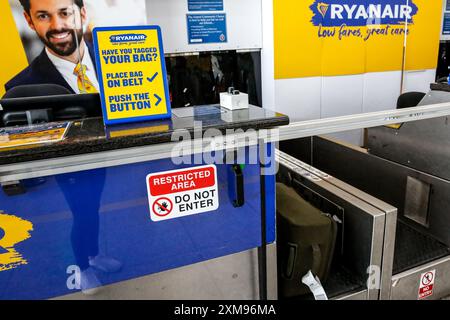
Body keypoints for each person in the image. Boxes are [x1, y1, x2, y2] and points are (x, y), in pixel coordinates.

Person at [5, 0, 99, 94]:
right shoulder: (20, 90)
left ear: (82, 14)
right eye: (43, 16)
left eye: (65, 13)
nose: (57, 26)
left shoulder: (112, 58)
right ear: (29, 21)